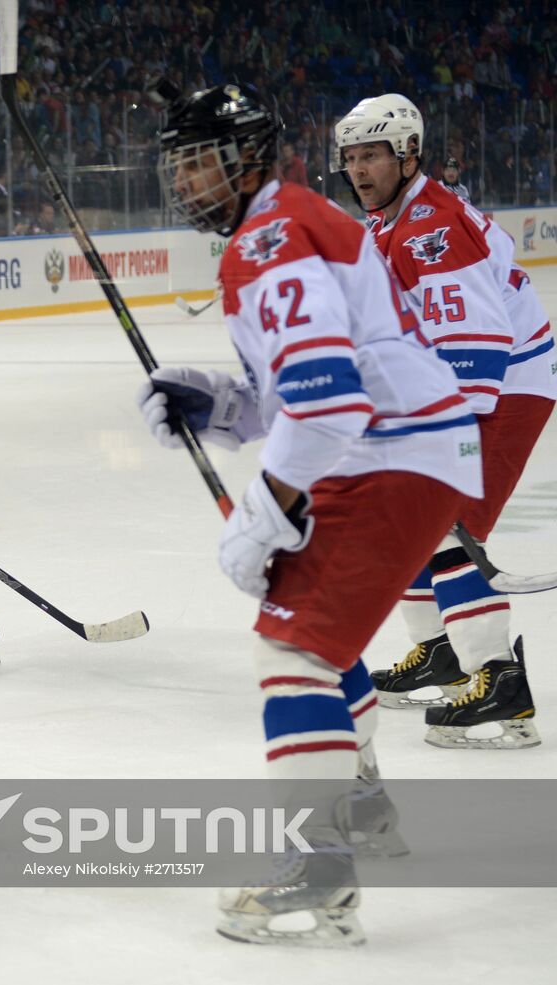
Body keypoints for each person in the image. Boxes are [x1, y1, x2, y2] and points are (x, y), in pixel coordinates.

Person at [145, 82, 482, 946]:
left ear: (249, 156)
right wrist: (218, 402)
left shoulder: (270, 233)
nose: (189, 182)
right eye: (178, 165)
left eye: (203, 161)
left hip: (389, 451)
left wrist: (264, 510)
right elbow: (294, 391)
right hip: (397, 445)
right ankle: (359, 803)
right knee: (310, 636)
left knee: (290, 645)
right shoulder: (286, 222)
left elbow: (328, 404)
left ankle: (321, 859)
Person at [333, 94, 551, 748]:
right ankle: (441, 651)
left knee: (440, 531)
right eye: (350, 157)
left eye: (372, 153)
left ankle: (502, 684)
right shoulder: (385, 222)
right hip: (471, 383)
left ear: (407, 154)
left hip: (506, 386)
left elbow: (480, 343)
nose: (359, 169)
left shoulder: (432, 225)